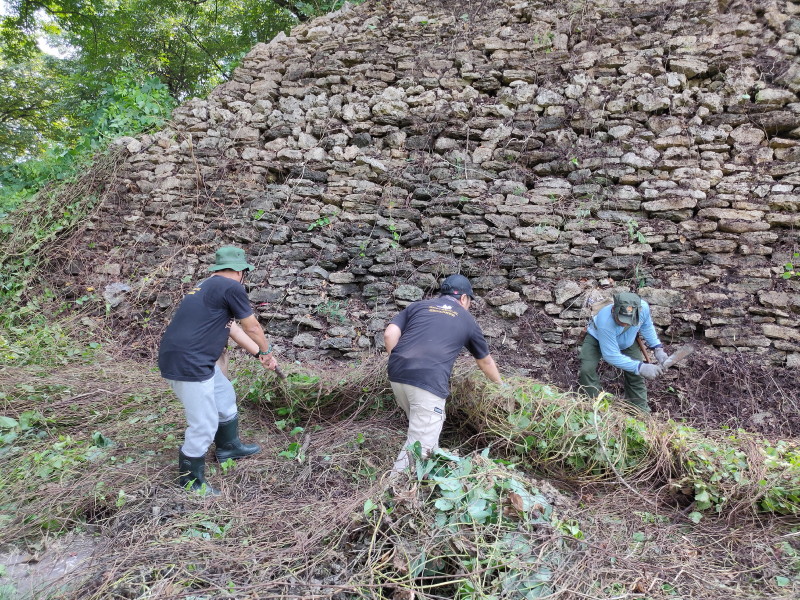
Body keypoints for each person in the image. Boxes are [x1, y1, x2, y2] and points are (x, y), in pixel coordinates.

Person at [158, 246, 279, 495]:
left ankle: (228, 448)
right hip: (189, 363)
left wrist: (259, 354)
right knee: (203, 424)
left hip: (193, 359)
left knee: (224, 398)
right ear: (241, 271)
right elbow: (252, 327)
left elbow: (232, 328)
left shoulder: (207, 286)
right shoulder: (231, 286)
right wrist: (267, 351)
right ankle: (190, 482)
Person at [384, 274, 503, 473]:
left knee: (422, 433)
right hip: (428, 380)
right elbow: (485, 361)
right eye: (469, 301)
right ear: (463, 298)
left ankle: (426, 480)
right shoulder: (467, 319)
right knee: (421, 448)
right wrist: (501, 386)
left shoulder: (418, 306)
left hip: (397, 374)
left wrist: (398, 360)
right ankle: (394, 487)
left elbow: (389, 334)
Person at [578, 292, 667, 413]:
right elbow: (611, 355)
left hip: (627, 341)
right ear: (614, 309)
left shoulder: (643, 308)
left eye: (629, 320)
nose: (625, 323)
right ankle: (594, 406)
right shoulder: (605, 320)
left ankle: (639, 412)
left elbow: (647, 327)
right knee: (586, 369)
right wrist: (640, 367)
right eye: (621, 319)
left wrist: (657, 348)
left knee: (636, 376)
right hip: (597, 338)